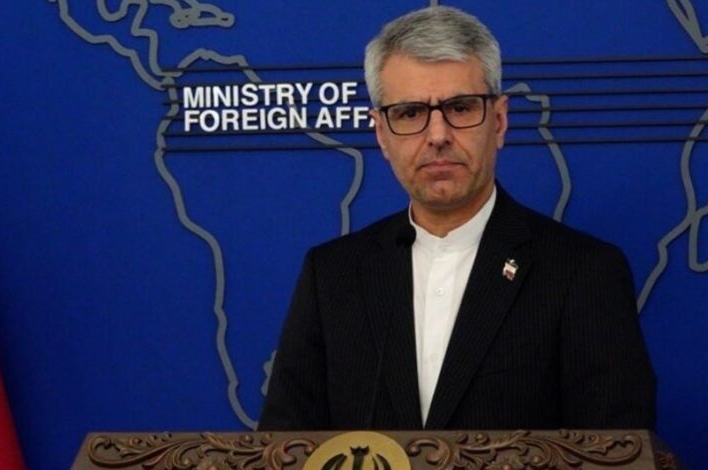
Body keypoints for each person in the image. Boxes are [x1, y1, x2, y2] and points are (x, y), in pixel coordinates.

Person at [259, 5, 656, 431]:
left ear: (499, 121)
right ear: (381, 134)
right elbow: (284, 446)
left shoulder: (583, 273)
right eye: (410, 113)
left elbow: (615, 449)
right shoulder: (332, 275)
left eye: (461, 108)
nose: (437, 135)